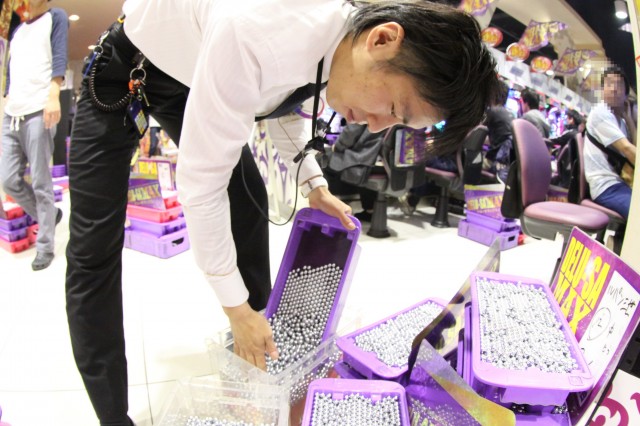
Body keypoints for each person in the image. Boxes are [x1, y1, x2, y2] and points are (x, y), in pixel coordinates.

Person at [65, 0, 500, 424]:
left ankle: (258, 352)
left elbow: (284, 105)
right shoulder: (253, 30)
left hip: (192, 74)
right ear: (382, 39)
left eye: (397, 123)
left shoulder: (337, 44)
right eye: (392, 109)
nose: (375, 125)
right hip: (126, 72)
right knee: (93, 250)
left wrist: (314, 185)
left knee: (248, 196)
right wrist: (234, 308)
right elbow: (201, 185)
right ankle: (113, 414)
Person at [0, 0, 67, 271]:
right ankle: (50, 215)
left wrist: (54, 96)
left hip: (39, 110)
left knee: (41, 182)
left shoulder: (55, 17)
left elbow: (59, 56)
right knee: (8, 180)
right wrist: (6, 97)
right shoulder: (18, 30)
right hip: (12, 114)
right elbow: (11, 68)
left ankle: (45, 245)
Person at [584, 66, 636, 220]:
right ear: (602, 90)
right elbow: (627, 149)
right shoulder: (601, 113)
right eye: (608, 84)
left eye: (618, 85)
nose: (613, 89)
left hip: (620, 184)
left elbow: (634, 147)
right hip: (606, 187)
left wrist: (628, 118)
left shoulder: (620, 121)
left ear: (626, 95)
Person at [323, 123, 384, 222]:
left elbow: (351, 131)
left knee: (323, 158)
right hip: (382, 160)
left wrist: (338, 146)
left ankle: (333, 208)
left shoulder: (368, 112)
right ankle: (370, 210)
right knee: (366, 173)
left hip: (363, 158)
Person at [483, 79, 514, 182]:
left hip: (493, 163)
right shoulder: (511, 115)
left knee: (466, 160)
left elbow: (474, 133)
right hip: (507, 166)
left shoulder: (492, 111)